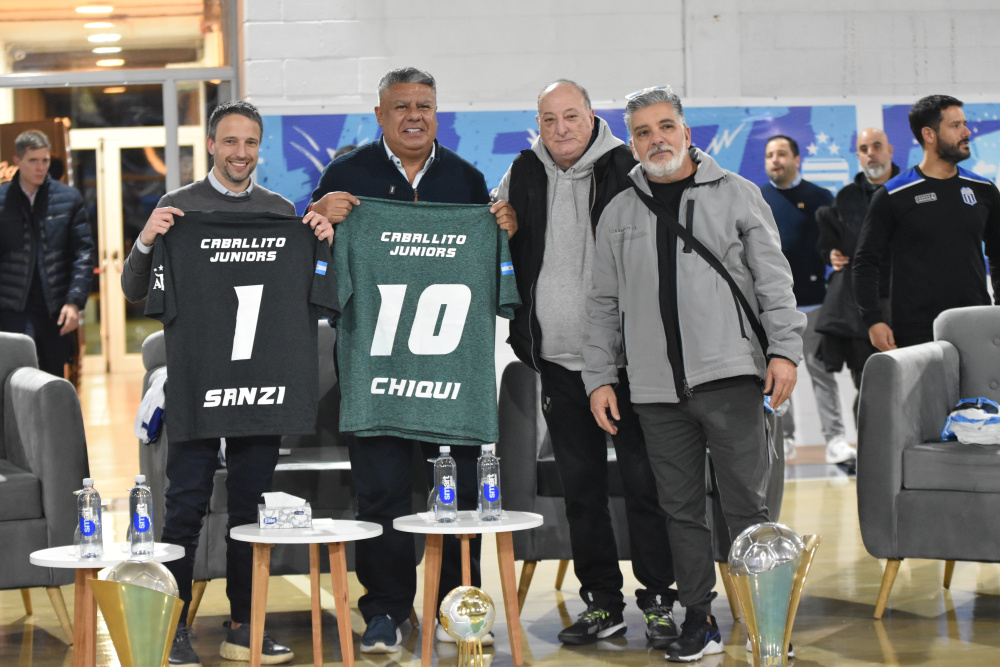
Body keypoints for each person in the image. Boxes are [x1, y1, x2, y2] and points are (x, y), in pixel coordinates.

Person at [583, 86, 805, 663]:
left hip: (731, 379)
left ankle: (765, 622)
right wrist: (599, 377)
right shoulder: (618, 211)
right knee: (680, 512)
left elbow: (774, 282)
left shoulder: (738, 194)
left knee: (748, 511)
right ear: (632, 143)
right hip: (655, 392)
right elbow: (602, 304)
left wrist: (785, 351)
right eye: (642, 132)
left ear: (685, 131)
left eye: (665, 127)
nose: (656, 139)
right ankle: (700, 618)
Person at [308, 66, 517, 654]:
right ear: (380, 115)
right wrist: (318, 215)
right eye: (401, 106)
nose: (414, 116)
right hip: (376, 373)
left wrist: (504, 229)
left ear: (437, 112)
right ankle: (386, 609)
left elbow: (497, 270)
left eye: (424, 105)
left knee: (460, 495)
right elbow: (315, 263)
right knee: (380, 495)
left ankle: (456, 607)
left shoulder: (468, 181)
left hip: (452, 377)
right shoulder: (346, 176)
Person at [121, 99, 333, 667]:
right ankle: (171, 627)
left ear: (259, 147)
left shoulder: (278, 210)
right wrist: (147, 240)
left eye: (250, 142)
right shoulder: (178, 207)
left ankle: (245, 625)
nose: (241, 152)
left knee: (250, 511)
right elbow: (134, 290)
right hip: (198, 382)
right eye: (231, 141)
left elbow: (313, 289)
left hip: (261, 383)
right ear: (212, 144)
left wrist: (319, 241)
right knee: (184, 507)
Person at [494, 79, 678, 647]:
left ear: (592, 116)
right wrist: (500, 226)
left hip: (629, 363)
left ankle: (660, 600)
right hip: (557, 362)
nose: (560, 129)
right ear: (538, 124)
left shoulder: (628, 166)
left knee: (647, 485)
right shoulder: (521, 172)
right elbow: (496, 241)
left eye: (570, 116)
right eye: (549, 119)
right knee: (582, 493)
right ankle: (602, 602)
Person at [854, 95, 1000, 350]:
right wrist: (873, 320)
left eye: (964, 124)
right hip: (916, 330)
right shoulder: (893, 195)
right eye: (955, 126)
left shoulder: (984, 189)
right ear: (929, 135)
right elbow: (865, 262)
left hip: (976, 323)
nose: (966, 132)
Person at [761, 135, 854, 466]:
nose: (775, 160)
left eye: (781, 153)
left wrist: (836, 255)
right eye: (770, 155)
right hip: (773, 308)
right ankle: (782, 439)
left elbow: (836, 242)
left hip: (815, 303)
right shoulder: (756, 197)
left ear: (797, 159)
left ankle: (835, 440)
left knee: (821, 373)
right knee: (774, 376)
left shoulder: (820, 197)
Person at [814, 128, 898, 412]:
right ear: (858, 156)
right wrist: (831, 255)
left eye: (877, 146)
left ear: (890, 150)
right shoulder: (846, 197)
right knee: (867, 386)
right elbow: (830, 243)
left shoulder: (911, 189)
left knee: (912, 381)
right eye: (864, 148)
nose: (871, 153)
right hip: (861, 307)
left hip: (906, 303)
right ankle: (871, 440)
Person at [0, 130, 94, 377]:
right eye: (33, 160)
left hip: (55, 309)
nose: (40, 167)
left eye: (45, 160)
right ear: (17, 161)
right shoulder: (2, 200)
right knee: (14, 381)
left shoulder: (68, 199)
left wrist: (74, 302)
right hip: (11, 310)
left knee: (52, 382)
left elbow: (83, 253)